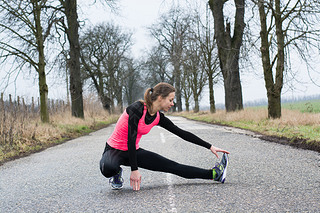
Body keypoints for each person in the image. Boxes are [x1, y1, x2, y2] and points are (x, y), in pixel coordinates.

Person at [100, 82, 230, 191]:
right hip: (113, 150)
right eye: (171, 100)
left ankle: (214, 174)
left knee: (172, 166)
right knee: (108, 168)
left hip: (133, 151)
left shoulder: (158, 117)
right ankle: (116, 173)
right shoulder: (137, 109)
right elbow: (131, 138)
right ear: (160, 98)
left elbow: (182, 133)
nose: (172, 103)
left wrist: (210, 146)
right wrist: (134, 170)